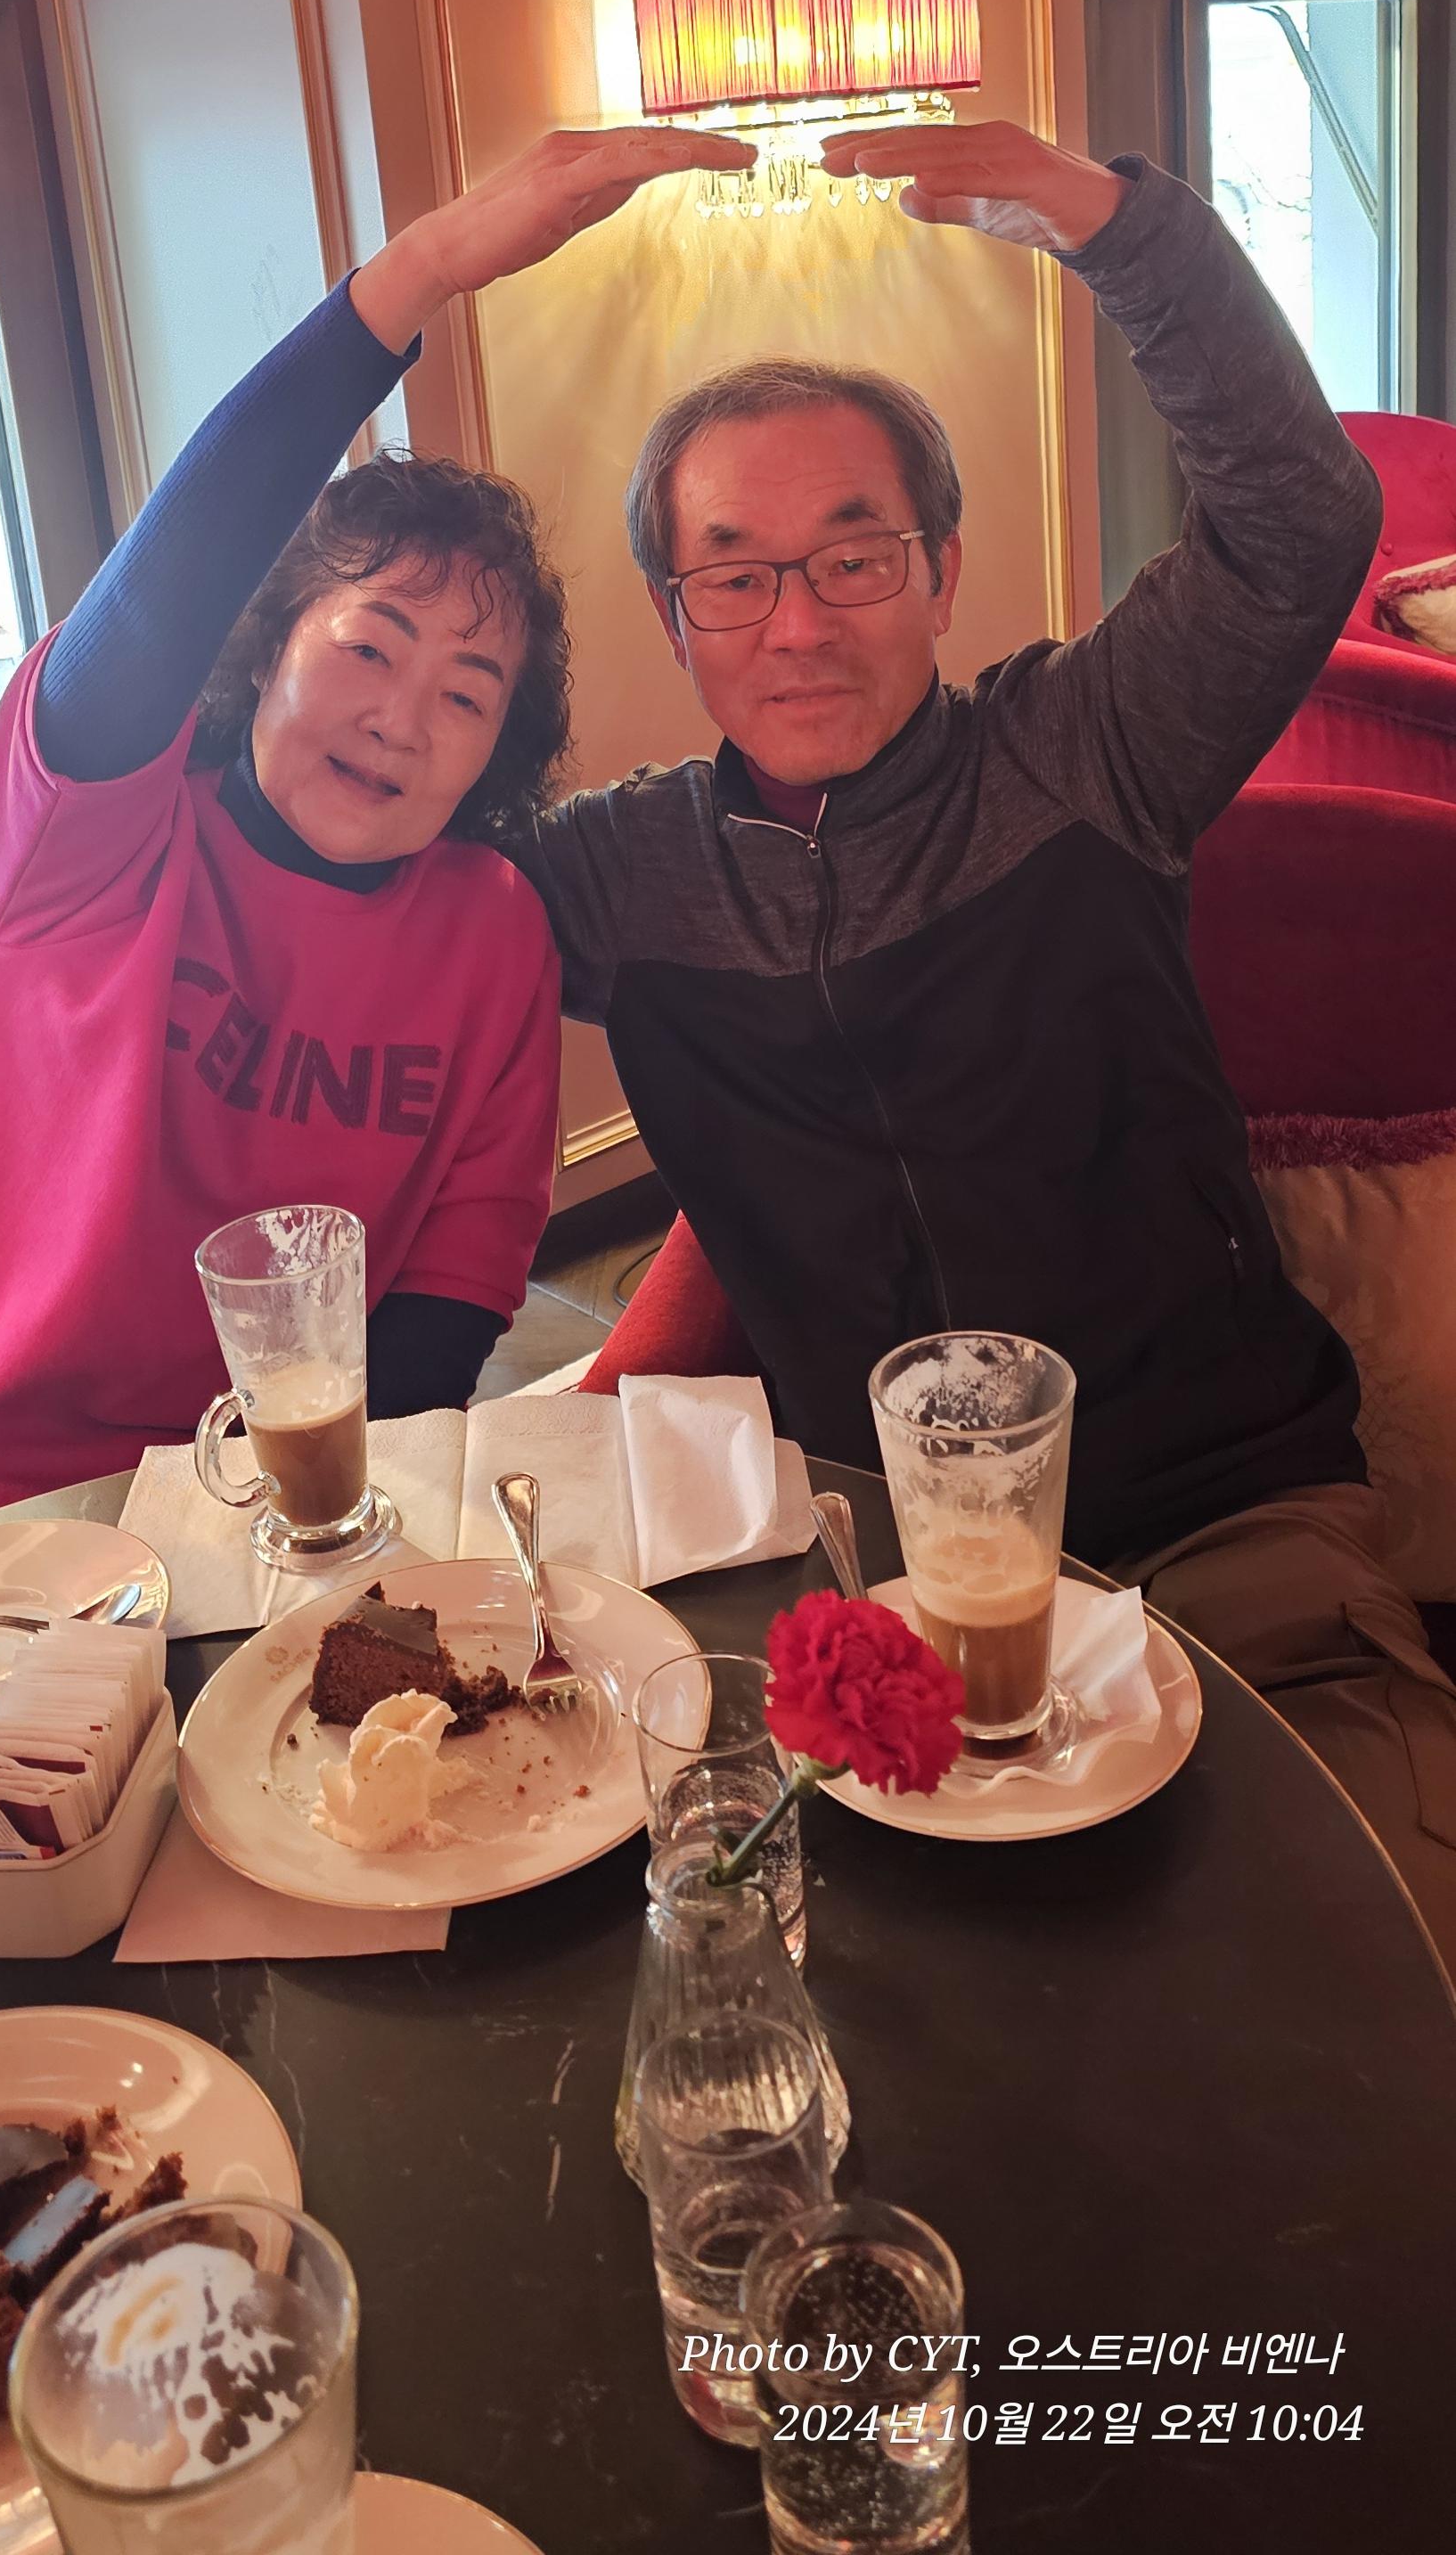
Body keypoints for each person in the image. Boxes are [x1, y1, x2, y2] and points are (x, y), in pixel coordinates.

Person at [519, 118, 1456, 1967]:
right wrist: (423, 280)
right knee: (900, 2036)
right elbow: (338, 842)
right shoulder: (618, 880)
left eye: (852, 557)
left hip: (1228, 1523)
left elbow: (1299, 520)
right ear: (676, 620)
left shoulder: (1085, 752)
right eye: (735, 574)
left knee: (1385, 1966)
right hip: (876, 1576)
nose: (797, 625)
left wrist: (1114, 226)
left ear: (942, 569)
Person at [0, 125, 747, 1539]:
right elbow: (168, 580)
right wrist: (420, 274)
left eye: (466, 694)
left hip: (222, 1488)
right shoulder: (98, 826)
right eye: (368, 647)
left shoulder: (488, 926)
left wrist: (314, 1527)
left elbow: (462, 1268)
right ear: (264, 649)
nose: (402, 719)